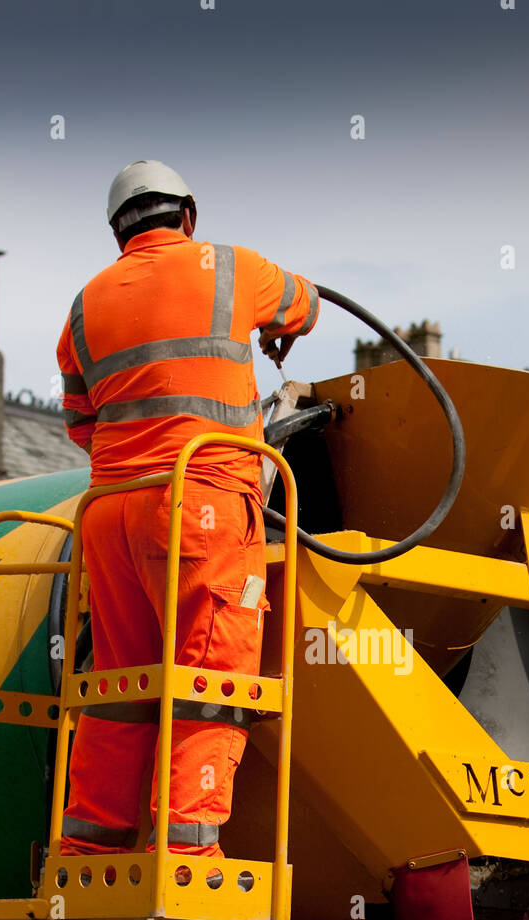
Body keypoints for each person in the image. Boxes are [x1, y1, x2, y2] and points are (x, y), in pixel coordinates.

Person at [56, 160, 318, 858]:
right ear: (189, 215)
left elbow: (81, 423)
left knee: (120, 683)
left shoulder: (85, 305)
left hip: (110, 511)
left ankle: (92, 848)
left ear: (118, 233)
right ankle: (188, 852)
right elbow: (306, 306)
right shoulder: (233, 268)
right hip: (202, 499)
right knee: (213, 675)